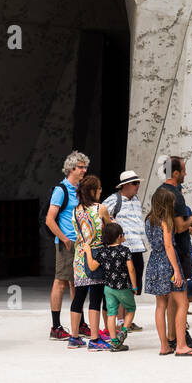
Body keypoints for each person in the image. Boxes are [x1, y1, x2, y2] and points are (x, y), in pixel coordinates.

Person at [45, 150, 90, 340]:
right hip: (67, 244)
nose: (84, 170)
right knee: (61, 282)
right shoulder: (61, 190)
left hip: (81, 243)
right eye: (81, 167)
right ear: (71, 168)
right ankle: (56, 327)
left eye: (85, 167)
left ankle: (79, 323)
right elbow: (49, 219)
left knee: (77, 284)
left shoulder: (80, 188)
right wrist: (64, 239)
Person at [145, 185, 192, 355]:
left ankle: (164, 346)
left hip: (154, 262)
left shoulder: (149, 219)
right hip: (168, 263)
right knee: (183, 303)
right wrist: (177, 271)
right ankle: (181, 345)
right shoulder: (165, 221)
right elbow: (168, 246)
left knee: (160, 305)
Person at [160, 157, 192, 350]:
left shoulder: (158, 192)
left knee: (168, 300)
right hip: (179, 253)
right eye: (183, 170)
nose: (185, 174)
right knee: (181, 300)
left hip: (163, 254)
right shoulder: (176, 195)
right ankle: (180, 339)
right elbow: (177, 227)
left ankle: (170, 337)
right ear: (175, 173)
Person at [69, 175, 112, 350]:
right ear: (93, 191)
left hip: (80, 256)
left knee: (78, 296)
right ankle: (95, 339)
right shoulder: (100, 209)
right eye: (99, 188)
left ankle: (74, 337)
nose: (101, 191)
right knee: (95, 296)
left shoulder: (75, 211)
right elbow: (109, 230)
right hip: (96, 256)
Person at [102, 170, 147, 332]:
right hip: (122, 250)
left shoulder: (136, 200)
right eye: (135, 183)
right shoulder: (114, 199)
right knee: (121, 285)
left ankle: (126, 319)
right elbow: (101, 214)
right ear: (126, 185)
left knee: (132, 286)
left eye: (138, 182)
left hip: (137, 248)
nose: (138, 186)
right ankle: (121, 321)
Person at [85, 220, 137, 351]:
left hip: (108, 288)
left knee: (111, 314)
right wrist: (135, 286)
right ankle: (124, 331)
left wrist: (88, 252)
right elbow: (131, 270)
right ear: (119, 236)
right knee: (131, 309)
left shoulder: (103, 252)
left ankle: (114, 341)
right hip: (123, 287)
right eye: (123, 234)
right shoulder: (125, 251)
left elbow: (91, 266)